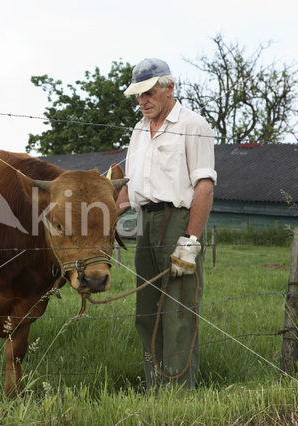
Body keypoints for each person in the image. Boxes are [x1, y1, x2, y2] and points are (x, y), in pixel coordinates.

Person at [116, 57, 217, 389]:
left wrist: (191, 240)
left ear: (169, 88)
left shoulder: (193, 125)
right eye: (138, 96)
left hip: (178, 222)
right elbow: (129, 191)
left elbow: (204, 185)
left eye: (149, 93)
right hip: (145, 223)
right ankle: (154, 386)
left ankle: (179, 394)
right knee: (147, 313)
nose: (143, 101)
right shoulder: (139, 131)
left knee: (177, 313)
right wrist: (103, 220)